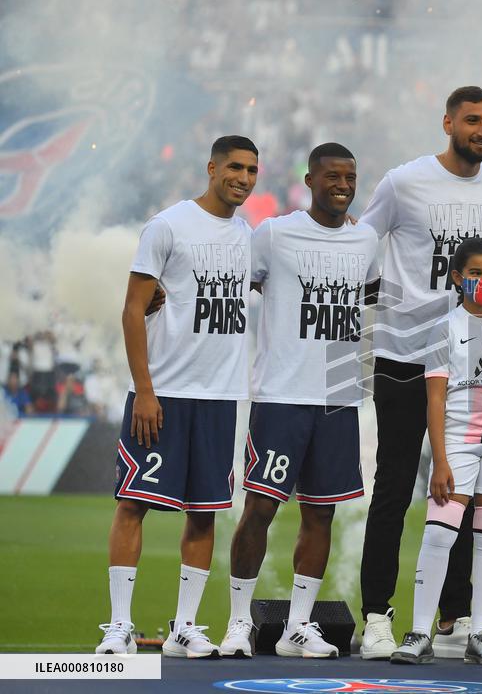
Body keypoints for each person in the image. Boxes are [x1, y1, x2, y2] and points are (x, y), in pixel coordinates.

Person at [358, 86, 482, 660]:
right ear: (447, 122)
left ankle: (454, 618)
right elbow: (359, 241)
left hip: (469, 361)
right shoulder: (404, 181)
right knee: (395, 488)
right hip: (403, 356)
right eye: (472, 120)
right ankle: (376, 616)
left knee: (464, 494)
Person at [96, 135, 258, 657]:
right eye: (235, 166)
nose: (244, 177)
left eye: (253, 170)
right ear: (211, 168)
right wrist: (145, 390)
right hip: (163, 393)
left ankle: (184, 626)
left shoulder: (248, 235)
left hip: (219, 396)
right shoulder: (167, 225)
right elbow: (131, 309)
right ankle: (119, 626)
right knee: (133, 505)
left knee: (205, 511)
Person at [220, 143, 379, 659]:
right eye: (332, 176)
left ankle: (297, 627)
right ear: (309, 180)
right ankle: (239, 623)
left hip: (337, 398)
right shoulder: (274, 234)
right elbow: (235, 283)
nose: (343, 185)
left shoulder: (365, 239)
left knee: (321, 514)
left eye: (350, 177)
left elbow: (372, 295)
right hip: (281, 395)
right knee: (260, 508)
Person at [390, 237, 482, 666]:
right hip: (457, 442)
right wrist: (440, 459)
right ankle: (419, 633)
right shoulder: (445, 328)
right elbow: (434, 400)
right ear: (458, 278)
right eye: (476, 274)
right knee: (439, 533)